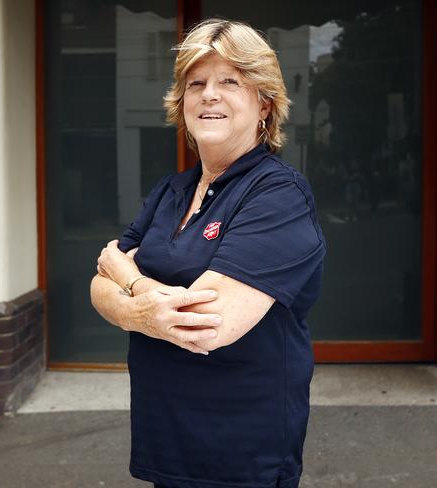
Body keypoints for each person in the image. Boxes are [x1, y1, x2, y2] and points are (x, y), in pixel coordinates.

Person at [90, 19, 326, 488]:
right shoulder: (171, 190)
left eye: (229, 81)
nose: (209, 95)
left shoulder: (277, 194)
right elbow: (98, 288)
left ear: (264, 104)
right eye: (195, 83)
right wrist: (142, 309)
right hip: (167, 436)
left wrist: (129, 281)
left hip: (239, 448)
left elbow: (206, 326)